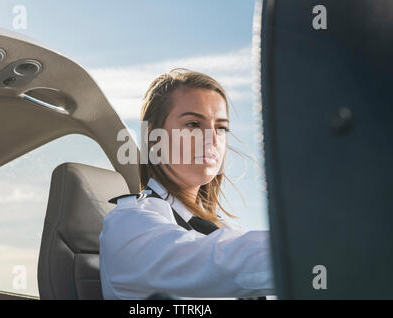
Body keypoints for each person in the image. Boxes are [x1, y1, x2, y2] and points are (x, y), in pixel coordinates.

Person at [99, 68, 275, 300]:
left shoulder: (228, 230)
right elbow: (217, 263)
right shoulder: (128, 223)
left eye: (221, 127)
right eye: (193, 124)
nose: (213, 138)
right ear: (152, 137)